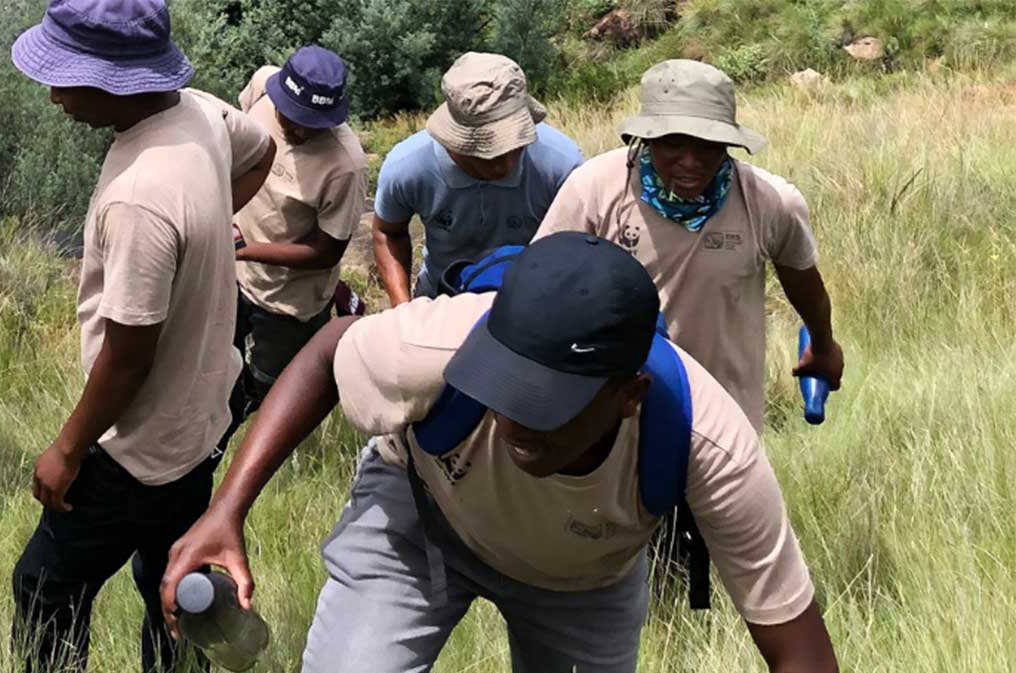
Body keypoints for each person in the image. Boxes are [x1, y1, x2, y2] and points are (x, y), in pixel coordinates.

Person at [164, 234, 839, 673]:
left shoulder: (709, 441)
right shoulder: (441, 343)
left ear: (629, 395)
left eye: (546, 403)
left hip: (582, 582)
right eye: (503, 381)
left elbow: (805, 668)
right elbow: (331, 351)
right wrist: (227, 509)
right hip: (422, 517)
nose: (513, 416)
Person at [7, 0, 274, 673]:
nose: (54, 94)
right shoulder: (198, 112)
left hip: (137, 445)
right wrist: (208, 237)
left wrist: (66, 450)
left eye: (65, 77)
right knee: (174, 576)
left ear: (116, 79)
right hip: (203, 415)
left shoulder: (140, 199)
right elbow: (262, 151)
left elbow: (128, 358)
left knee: (46, 584)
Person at [536, 59, 843, 433]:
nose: (691, 161)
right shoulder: (594, 190)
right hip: (615, 416)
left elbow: (803, 282)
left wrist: (823, 345)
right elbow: (542, 286)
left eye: (708, 145)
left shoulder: (770, 203)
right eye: (673, 143)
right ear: (648, 137)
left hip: (724, 417)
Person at [370, 52, 582, 306]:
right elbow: (388, 232)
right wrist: (404, 311)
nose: (504, 164)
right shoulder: (408, 166)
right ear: (454, 139)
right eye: (486, 152)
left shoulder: (562, 164)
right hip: (441, 298)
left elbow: (580, 249)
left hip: (535, 298)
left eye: (514, 146)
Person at [229, 45, 369, 421]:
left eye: (316, 123)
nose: (301, 130)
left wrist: (244, 249)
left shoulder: (345, 165)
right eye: (293, 117)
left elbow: (326, 252)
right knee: (219, 365)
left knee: (270, 387)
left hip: (289, 301)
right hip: (233, 276)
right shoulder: (262, 84)